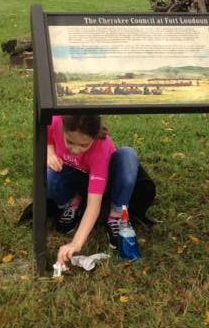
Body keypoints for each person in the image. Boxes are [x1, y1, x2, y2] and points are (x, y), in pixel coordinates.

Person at [47, 114, 141, 266]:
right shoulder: (55, 121)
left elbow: (94, 204)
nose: (76, 150)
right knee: (48, 177)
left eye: (84, 145)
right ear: (62, 127)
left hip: (106, 180)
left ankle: (116, 215)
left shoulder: (101, 147)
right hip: (74, 174)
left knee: (128, 155)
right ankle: (73, 201)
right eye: (70, 142)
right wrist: (49, 152)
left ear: (94, 137)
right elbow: (47, 137)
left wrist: (76, 244)